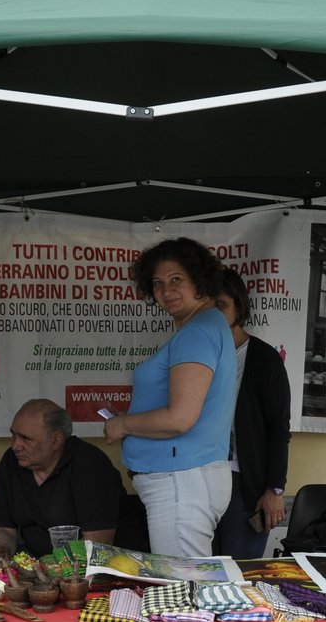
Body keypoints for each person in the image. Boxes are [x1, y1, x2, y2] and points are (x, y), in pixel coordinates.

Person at [102, 237, 237, 557]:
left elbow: (180, 418)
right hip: (187, 480)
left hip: (182, 482)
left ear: (199, 279)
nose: (166, 291)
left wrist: (123, 424)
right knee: (187, 586)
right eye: (158, 283)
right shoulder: (205, 326)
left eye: (177, 279)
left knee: (183, 589)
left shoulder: (197, 332)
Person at [210, 269, 291, 560]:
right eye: (205, 306)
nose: (213, 314)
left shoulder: (263, 360)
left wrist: (274, 490)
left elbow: (278, 429)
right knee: (202, 575)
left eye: (220, 305)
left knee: (238, 575)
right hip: (201, 482)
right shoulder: (196, 356)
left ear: (239, 307)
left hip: (244, 487)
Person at [0, 399, 122, 558]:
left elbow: (97, 543)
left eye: (26, 439)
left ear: (56, 440)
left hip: (96, 570)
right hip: (35, 563)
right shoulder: (10, 462)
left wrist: (51, 571)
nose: (16, 445)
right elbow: (1, 529)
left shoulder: (90, 464)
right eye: (13, 435)